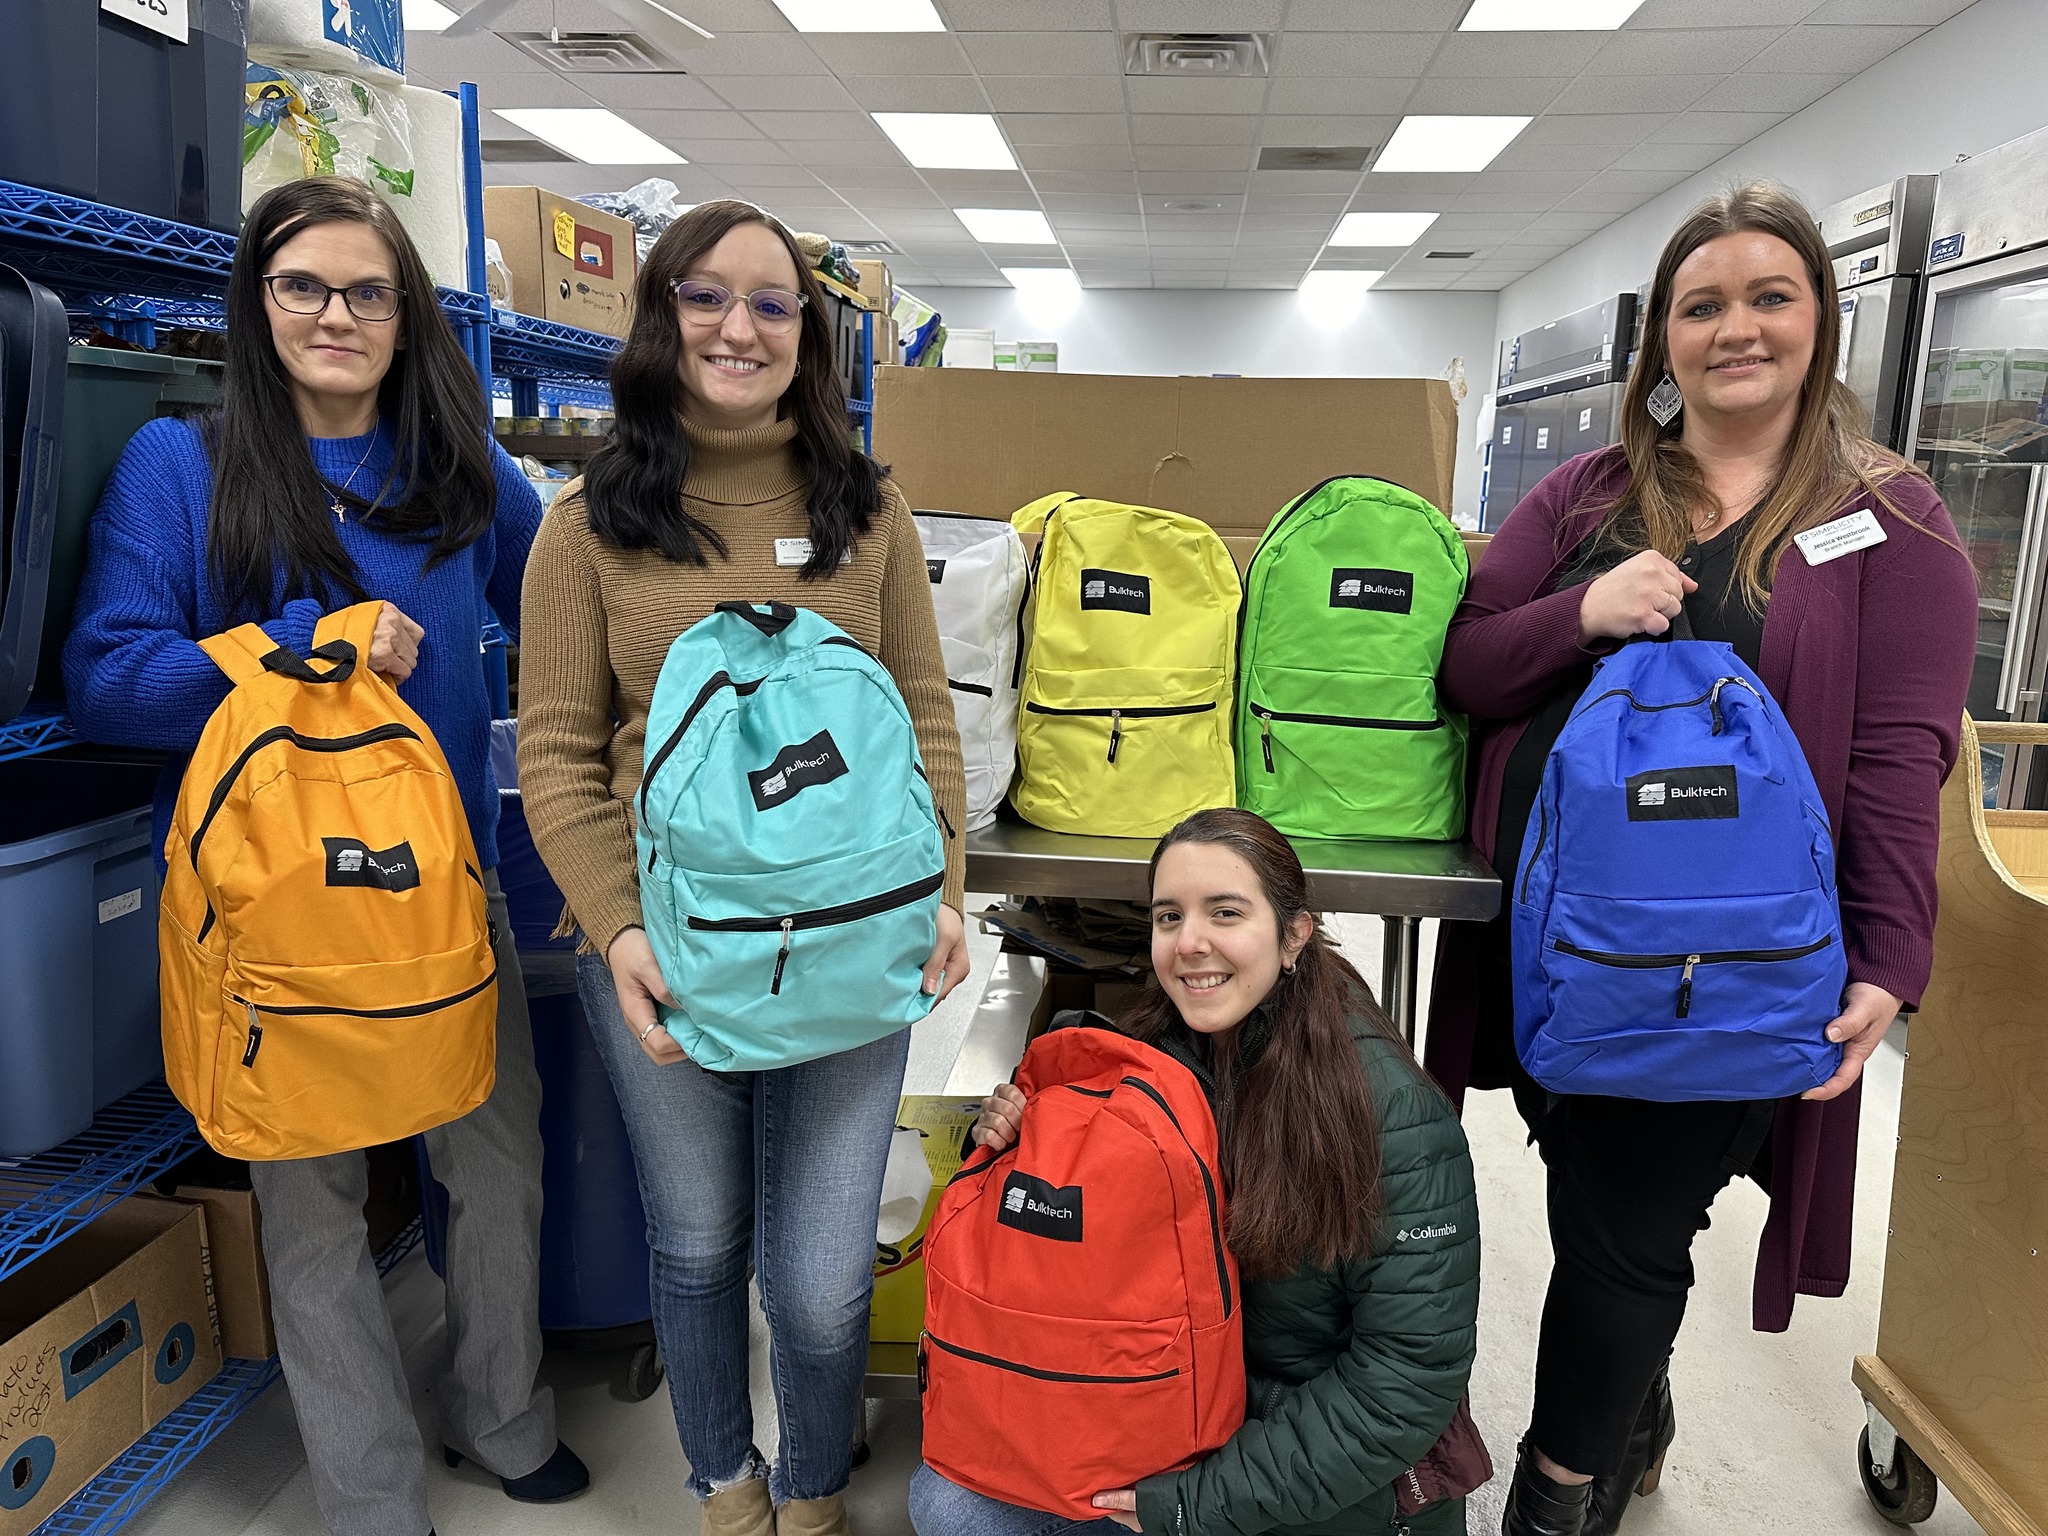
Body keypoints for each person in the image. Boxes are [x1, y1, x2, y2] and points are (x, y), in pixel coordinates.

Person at [1423, 182, 1977, 1536]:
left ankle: (1561, 1493)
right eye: (1704, 304)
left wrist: (1892, 961)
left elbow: (1900, 765)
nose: (1738, 328)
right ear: (1663, 343)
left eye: (1769, 297)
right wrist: (1582, 612)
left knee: (1622, 1225)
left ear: (1820, 323)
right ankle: (1637, 1399)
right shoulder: (1590, 495)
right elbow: (1467, 666)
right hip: (1562, 942)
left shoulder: (1887, 528)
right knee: (1590, 1180)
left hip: (1731, 957)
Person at [63, 176, 584, 1536]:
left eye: (369, 291)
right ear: (258, 303)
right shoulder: (187, 467)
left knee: (499, 1163)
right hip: (281, 927)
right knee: (312, 1215)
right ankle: (367, 1499)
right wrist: (307, 656)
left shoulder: (463, 474)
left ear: (408, 317)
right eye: (304, 287)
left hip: (452, 901)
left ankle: (505, 1416)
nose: (337, 315)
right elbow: (110, 678)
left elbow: (571, 604)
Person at [515, 198, 970, 1536]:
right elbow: (555, 750)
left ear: (808, 338)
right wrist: (616, 930)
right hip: (667, 946)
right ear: (659, 317)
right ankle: (726, 1481)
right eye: (705, 296)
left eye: (775, 304)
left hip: (845, 938)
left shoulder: (863, 506)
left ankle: (816, 1485)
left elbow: (925, 709)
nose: (739, 326)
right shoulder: (585, 524)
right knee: (700, 1242)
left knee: (826, 1279)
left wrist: (941, 887)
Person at [911, 807, 1481, 1536]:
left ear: (1294, 936)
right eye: (1168, 916)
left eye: (1226, 913)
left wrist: (1191, 1505)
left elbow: (1403, 1384)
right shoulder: (1157, 1050)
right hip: (1169, 1420)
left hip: (1309, 1480)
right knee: (949, 1503)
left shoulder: (1389, 1112)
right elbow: (1063, 1261)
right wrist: (1015, 1150)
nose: (1190, 944)